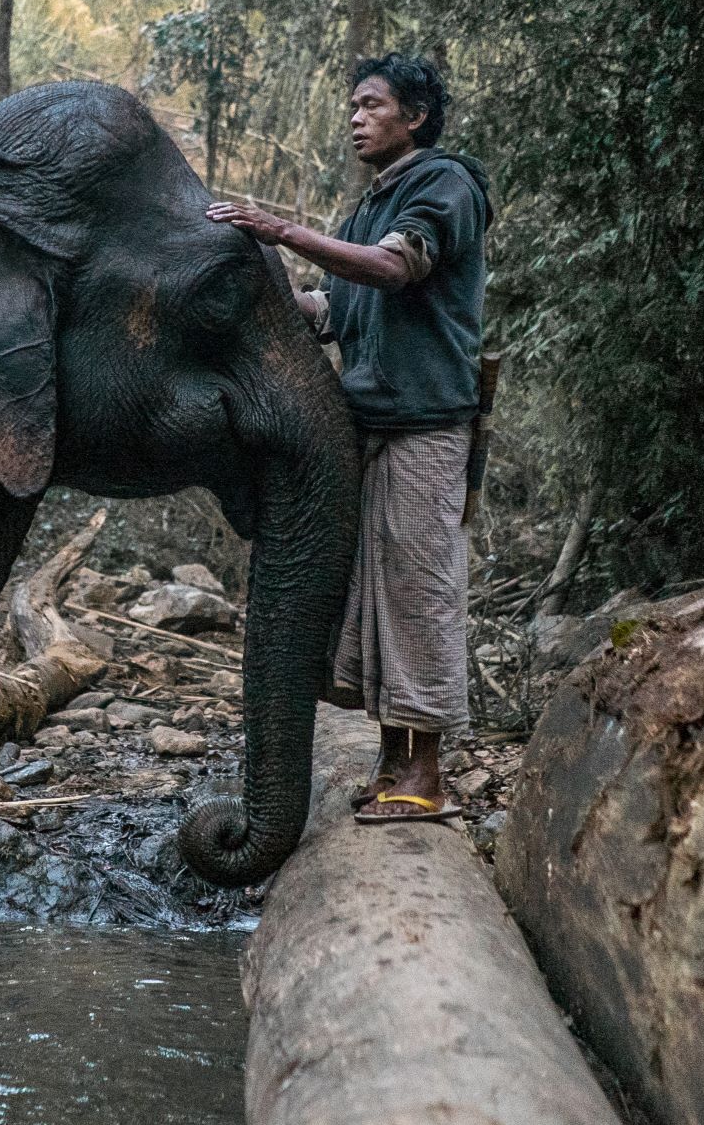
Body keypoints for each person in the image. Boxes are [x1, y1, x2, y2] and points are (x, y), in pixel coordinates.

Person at [207, 53, 492, 822]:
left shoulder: (442, 186)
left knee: (419, 591)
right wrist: (258, 278)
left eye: (371, 105)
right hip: (372, 426)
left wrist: (283, 230)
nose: (356, 118)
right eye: (353, 107)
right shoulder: (372, 204)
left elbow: (395, 271)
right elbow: (337, 308)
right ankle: (394, 764)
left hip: (425, 425)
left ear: (417, 117)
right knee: (376, 596)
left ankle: (426, 779)